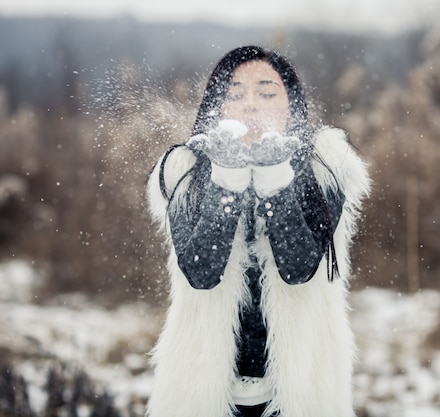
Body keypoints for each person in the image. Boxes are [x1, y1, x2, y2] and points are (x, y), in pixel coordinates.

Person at [145, 45, 370, 417]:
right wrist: (227, 179)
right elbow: (202, 272)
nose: (250, 104)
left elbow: (298, 268)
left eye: (267, 93)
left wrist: (274, 179)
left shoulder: (324, 168)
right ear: (216, 107)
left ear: (291, 105)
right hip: (202, 391)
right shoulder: (184, 170)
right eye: (234, 94)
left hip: (302, 389)